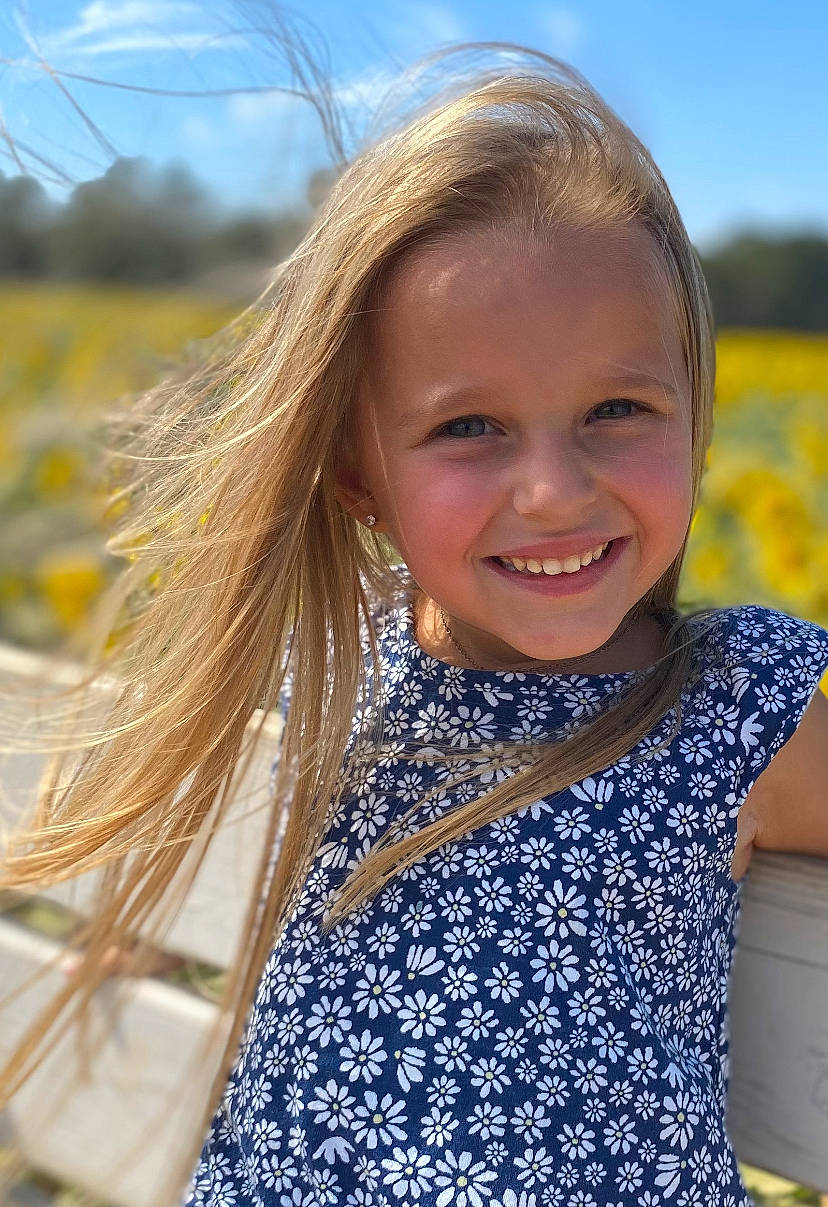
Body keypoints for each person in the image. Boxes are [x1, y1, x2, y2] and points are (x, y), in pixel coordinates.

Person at [1, 42, 827, 1207]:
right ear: (357, 477)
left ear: (695, 419)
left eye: (617, 408)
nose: (554, 491)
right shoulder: (341, 655)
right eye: (469, 428)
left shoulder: (732, 709)